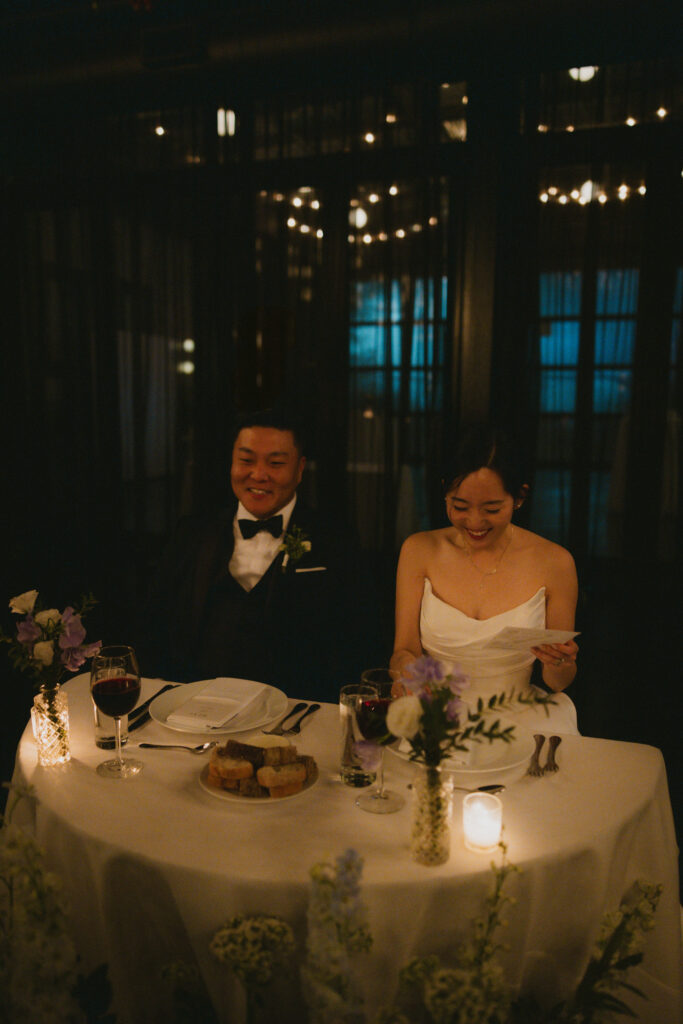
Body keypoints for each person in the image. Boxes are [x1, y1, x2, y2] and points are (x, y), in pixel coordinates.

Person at [141, 409, 383, 703]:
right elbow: (156, 620)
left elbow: (358, 637)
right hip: (196, 702)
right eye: (246, 460)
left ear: (300, 469)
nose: (258, 474)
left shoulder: (335, 540)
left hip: (295, 709)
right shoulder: (192, 532)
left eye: (276, 463)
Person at [390, 424, 580, 734]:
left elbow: (557, 682)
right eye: (459, 506)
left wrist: (561, 663)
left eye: (491, 508)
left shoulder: (556, 562)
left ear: (519, 497)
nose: (475, 522)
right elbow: (404, 649)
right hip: (435, 719)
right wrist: (405, 672)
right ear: (445, 492)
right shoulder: (418, 551)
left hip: (521, 722)